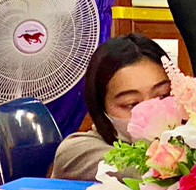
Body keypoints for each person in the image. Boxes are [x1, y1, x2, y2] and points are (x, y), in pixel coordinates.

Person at [51, 34, 171, 181]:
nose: (152, 112)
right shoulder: (76, 152)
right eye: (131, 104)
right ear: (102, 109)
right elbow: (159, 174)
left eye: (163, 96)